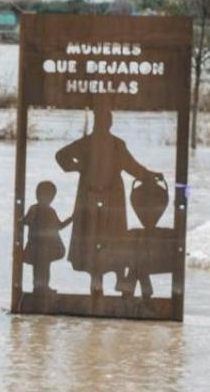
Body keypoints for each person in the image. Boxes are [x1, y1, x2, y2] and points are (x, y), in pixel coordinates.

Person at [55, 102, 158, 296]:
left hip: (112, 199)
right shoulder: (86, 143)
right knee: (94, 239)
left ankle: (118, 279)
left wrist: (150, 176)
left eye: (106, 120)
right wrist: (77, 167)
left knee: (115, 238)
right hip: (91, 197)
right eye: (101, 120)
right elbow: (61, 156)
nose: (103, 124)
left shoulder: (116, 144)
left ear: (109, 123)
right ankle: (97, 284)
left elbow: (132, 167)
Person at [22, 180, 70, 294]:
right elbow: (27, 221)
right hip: (36, 246)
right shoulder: (34, 209)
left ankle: (43, 287)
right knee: (39, 268)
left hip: (47, 247)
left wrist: (71, 219)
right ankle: (38, 288)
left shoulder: (50, 211)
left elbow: (59, 226)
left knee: (44, 269)